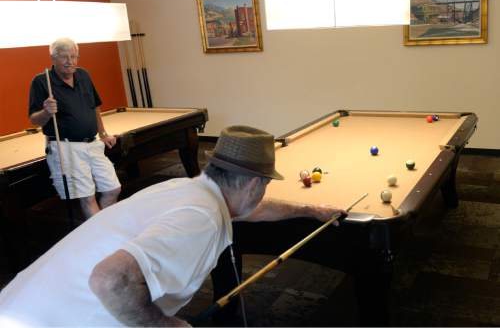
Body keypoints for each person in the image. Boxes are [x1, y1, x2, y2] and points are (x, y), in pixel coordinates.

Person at [0, 125, 345, 326]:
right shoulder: (204, 217)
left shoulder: (187, 189)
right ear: (255, 185)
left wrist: (312, 210)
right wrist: (163, 325)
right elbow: (110, 279)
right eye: (264, 186)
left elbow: (251, 209)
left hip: (17, 304)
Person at [28, 38, 121, 219]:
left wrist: (102, 133)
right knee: (87, 198)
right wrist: (46, 112)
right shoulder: (41, 81)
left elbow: (94, 105)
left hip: (92, 143)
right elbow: (34, 119)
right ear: (53, 58)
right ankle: (101, 238)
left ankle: (102, 230)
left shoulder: (83, 74)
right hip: (66, 147)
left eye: (74, 56)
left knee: (113, 189)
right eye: (65, 57)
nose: (70, 61)